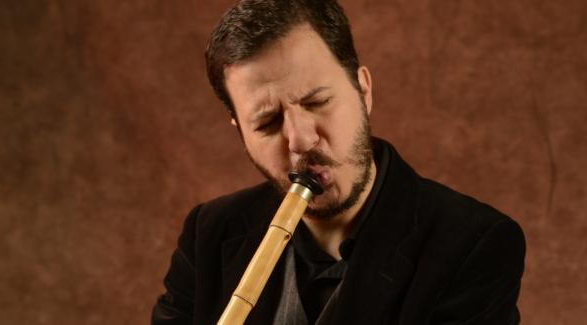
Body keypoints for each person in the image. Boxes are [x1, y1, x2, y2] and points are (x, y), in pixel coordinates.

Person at [151, 0, 526, 324]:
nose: (300, 140)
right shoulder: (209, 234)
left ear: (363, 91)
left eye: (317, 102)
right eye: (267, 122)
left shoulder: (476, 244)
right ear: (240, 132)